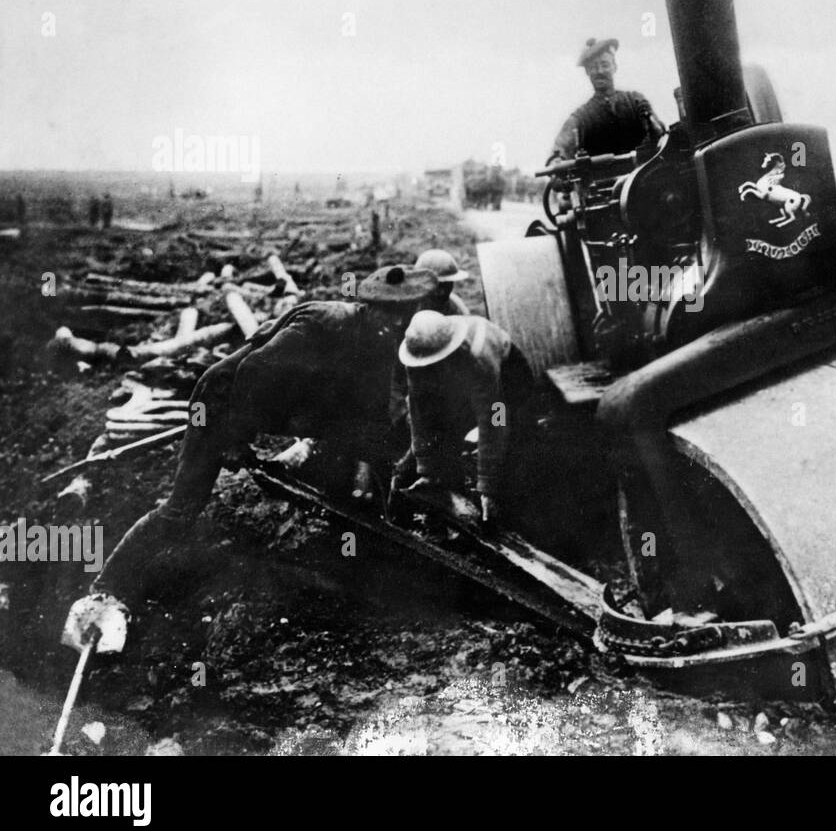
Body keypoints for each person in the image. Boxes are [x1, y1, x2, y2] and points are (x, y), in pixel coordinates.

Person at [64, 265, 440, 646]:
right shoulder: (323, 324)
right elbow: (254, 372)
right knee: (182, 509)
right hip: (221, 403)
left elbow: (372, 415)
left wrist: (375, 481)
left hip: (285, 408)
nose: (396, 326)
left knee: (353, 454)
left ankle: (350, 552)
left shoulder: (379, 342)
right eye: (390, 316)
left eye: (404, 318)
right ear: (368, 306)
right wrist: (235, 438)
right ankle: (104, 590)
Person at [392, 311, 534, 526]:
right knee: (445, 428)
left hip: (508, 373)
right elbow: (420, 414)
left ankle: (509, 504)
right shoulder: (416, 358)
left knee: (513, 437)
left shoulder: (478, 358)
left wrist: (487, 487)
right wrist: (427, 469)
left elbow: (494, 422)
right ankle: (450, 495)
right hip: (459, 373)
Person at [549, 37, 666, 162]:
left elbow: (659, 134)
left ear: (614, 67)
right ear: (587, 72)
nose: (599, 71)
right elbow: (560, 149)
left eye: (605, 65)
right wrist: (556, 159)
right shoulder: (580, 117)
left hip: (642, 174)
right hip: (604, 179)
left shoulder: (636, 101)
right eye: (593, 67)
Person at [414, 248, 472, 316]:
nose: (443, 292)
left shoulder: (456, 305)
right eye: (437, 286)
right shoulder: (409, 308)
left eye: (447, 285)